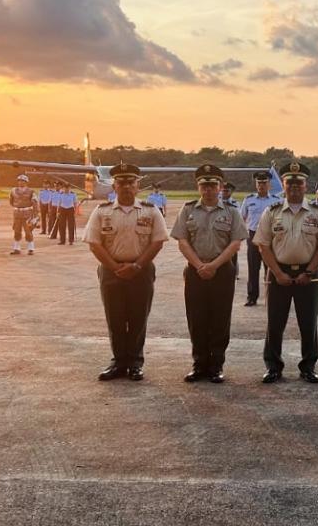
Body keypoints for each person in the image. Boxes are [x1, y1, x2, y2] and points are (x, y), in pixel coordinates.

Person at [85, 163, 168, 382]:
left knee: (138, 317)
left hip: (141, 270)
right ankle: (118, 361)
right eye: (121, 182)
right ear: (114, 185)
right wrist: (115, 267)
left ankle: (135, 362)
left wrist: (137, 266)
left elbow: (158, 241)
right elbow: (94, 243)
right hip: (111, 271)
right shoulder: (101, 211)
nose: (126, 187)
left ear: (138, 186)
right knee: (115, 318)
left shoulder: (151, 210)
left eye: (131, 182)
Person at [255, 162, 318, 384]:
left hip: (308, 275)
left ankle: (308, 366)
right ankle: (273, 366)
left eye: (298, 183)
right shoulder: (271, 212)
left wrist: (308, 272)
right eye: (289, 183)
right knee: (275, 323)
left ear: (305, 185)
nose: (294, 187)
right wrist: (277, 272)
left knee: (308, 323)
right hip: (278, 274)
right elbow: (263, 245)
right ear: (283, 184)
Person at [172, 165, 246, 383]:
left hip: (222, 271)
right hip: (195, 271)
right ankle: (199, 364)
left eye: (213, 185)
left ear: (220, 187)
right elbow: (183, 241)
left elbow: (235, 243)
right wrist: (199, 265)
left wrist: (213, 265)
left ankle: (216, 365)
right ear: (198, 187)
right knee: (197, 319)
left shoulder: (231, 211)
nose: (208, 190)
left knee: (220, 319)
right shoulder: (188, 210)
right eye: (204, 185)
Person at [241, 171, 279, 307]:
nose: (261, 185)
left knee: (271, 268)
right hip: (253, 236)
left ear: (269, 184)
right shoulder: (249, 200)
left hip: (271, 237)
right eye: (259, 183)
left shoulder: (277, 201)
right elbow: (241, 219)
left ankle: (273, 296)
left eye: (264, 183)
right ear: (256, 184)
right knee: (253, 268)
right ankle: (252, 296)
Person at [9, 175, 40, 256]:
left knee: (28, 231)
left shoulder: (31, 191)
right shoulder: (13, 191)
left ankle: (31, 249)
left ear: (26, 182)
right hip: (17, 213)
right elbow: (11, 201)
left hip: (27, 214)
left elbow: (35, 203)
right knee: (16, 231)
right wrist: (17, 207)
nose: (21, 182)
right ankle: (16, 248)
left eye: (23, 181)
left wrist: (36, 216)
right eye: (19, 180)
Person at [221, 181, 240, 275]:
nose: (224, 192)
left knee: (232, 253)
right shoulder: (216, 202)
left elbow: (239, 219)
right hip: (219, 232)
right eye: (223, 190)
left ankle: (233, 272)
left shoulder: (235, 204)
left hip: (231, 232)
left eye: (227, 191)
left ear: (231, 191)